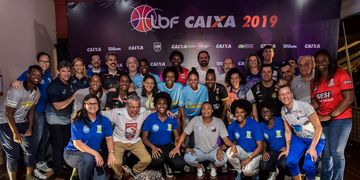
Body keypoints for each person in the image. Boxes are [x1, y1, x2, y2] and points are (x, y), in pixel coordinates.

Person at [311, 49, 354, 180]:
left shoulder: (341, 74)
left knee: (336, 153)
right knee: (326, 153)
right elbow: (316, 101)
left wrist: (330, 115)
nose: (320, 63)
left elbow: (349, 98)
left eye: (323, 60)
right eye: (317, 61)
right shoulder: (315, 81)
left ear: (329, 61)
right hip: (323, 120)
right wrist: (310, 110)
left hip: (341, 119)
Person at [12, 52, 53, 177]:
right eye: (42, 61)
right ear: (37, 61)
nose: (45, 64)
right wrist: (14, 81)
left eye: (47, 62)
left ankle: (40, 162)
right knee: (36, 139)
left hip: (46, 111)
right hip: (34, 113)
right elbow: (16, 83)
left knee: (44, 139)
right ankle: (32, 166)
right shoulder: (30, 73)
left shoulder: (48, 76)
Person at [169, 102, 237, 179]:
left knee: (224, 160)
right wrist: (177, 147)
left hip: (214, 151)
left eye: (208, 108)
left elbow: (226, 140)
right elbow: (184, 134)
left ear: (212, 111)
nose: (206, 110)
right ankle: (199, 167)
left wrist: (232, 145)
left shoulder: (219, 122)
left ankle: (213, 167)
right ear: (201, 111)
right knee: (187, 158)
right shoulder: (195, 120)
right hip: (198, 151)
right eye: (203, 108)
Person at [0, 65, 42, 180]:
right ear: (28, 75)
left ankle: (29, 176)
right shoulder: (16, 90)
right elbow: (8, 113)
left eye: (39, 75)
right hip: (5, 121)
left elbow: (31, 111)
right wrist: (15, 133)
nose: (36, 77)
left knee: (30, 150)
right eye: (34, 74)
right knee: (13, 154)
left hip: (21, 121)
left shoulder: (37, 92)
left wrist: (29, 128)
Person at [64, 94, 117, 180]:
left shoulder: (104, 120)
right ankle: (78, 173)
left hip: (92, 155)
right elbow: (77, 143)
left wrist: (111, 153)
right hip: (73, 153)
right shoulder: (77, 121)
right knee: (86, 159)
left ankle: (80, 171)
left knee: (101, 178)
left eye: (95, 103)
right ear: (85, 105)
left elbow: (109, 138)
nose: (93, 105)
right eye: (89, 103)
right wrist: (96, 154)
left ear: (98, 105)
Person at [279, 84, 325, 180]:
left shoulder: (305, 106)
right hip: (299, 138)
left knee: (308, 164)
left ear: (292, 94)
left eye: (287, 93)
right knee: (290, 162)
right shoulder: (283, 110)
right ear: (279, 98)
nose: (285, 96)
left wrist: (312, 148)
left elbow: (319, 128)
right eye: (282, 95)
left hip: (315, 138)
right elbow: (288, 132)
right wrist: (288, 149)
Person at [101, 94, 152, 178]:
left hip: (135, 141)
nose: (135, 110)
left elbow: (152, 111)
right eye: (132, 107)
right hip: (118, 141)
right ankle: (120, 174)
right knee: (115, 163)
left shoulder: (142, 111)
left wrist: (166, 111)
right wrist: (81, 111)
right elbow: (100, 113)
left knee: (147, 159)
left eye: (137, 107)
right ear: (126, 106)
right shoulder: (117, 112)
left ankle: (133, 172)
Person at [142, 92, 185, 177]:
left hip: (168, 145)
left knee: (180, 163)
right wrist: (153, 147)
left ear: (168, 105)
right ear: (155, 106)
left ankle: (167, 164)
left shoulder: (172, 118)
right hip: (153, 145)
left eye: (164, 103)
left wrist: (177, 147)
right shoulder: (150, 118)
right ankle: (162, 166)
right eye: (159, 104)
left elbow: (176, 137)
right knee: (158, 160)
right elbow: (144, 138)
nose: (162, 106)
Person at [46, 61, 76, 178]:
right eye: (63, 71)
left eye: (68, 71)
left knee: (66, 143)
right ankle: (58, 171)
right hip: (55, 119)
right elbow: (58, 106)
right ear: (58, 71)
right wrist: (73, 97)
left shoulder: (71, 82)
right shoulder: (53, 86)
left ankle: (65, 165)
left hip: (67, 119)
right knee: (57, 145)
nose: (66, 74)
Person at [226, 99, 264, 179]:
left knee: (247, 171)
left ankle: (256, 172)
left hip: (255, 154)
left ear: (246, 113)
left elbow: (260, 146)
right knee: (229, 153)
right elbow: (229, 141)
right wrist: (230, 146)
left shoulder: (255, 125)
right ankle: (239, 171)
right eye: (237, 112)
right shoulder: (232, 126)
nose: (239, 115)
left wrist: (249, 158)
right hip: (243, 152)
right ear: (234, 113)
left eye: (242, 112)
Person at [258, 104, 287, 180]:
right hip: (273, 150)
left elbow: (289, 133)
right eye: (263, 112)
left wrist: (287, 147)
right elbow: (263, 140)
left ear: (272, 112)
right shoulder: (261, 125)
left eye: (267, 111)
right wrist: (264, 151)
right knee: (263, 165)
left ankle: (281, 173)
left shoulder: (281, 120)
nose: (265, 114)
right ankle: (273, 170)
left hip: (284, 150)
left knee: (282, 164)